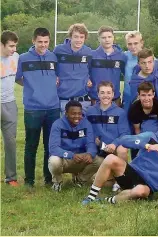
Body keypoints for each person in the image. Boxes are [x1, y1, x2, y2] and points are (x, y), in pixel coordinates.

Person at [82, 113, 158, 205]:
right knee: (110, 158)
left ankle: (107, 200)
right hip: (133, 173)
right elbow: (124, 140)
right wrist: (147, 146)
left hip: (149, 185)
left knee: (140, 191)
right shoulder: (150, 136)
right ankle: (90, 198)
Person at [16, 28, 60, 187]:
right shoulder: (23, 58)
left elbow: (58, 77)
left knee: (50, 145)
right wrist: (30, 85)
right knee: (31, 145)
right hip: (33, 108)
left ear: (49, 41)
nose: (43, 45)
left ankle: (49, 179)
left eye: (46, 42)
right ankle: (29, 181)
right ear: (33, 41)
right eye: (40, 42)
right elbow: (17, 78)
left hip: (53, 108)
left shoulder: (53, 57)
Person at [48, 100, 103, 191]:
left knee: (100, 161)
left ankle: (79, 180)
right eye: (73, 113)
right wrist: (71, 155)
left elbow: (91, 143)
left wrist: (89, 153)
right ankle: (57, 183)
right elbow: (53, 148)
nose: (77, 116)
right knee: (54, 161)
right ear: (66, 113)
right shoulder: (57, 124)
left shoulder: (86, 123)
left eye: (79, 113)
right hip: (65, 158)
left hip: (81, 158)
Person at [86, 81, 130, 191]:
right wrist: (94, 140)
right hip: (98, 149)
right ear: (98, 95)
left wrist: (114, 144)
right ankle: (105, 177)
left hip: (113, 148)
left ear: (113, 94)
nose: (106, 95)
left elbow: (125, 134)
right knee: (96, 181)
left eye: (108, 92)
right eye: (102, 92)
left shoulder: (120, 112)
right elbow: (86, 131)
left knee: (123, 150)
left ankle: (120, 181)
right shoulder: (90, 111)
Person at [53, 23, 92, 114]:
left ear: (85, 38)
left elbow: (90, 70)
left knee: (82, 128)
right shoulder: (58, 50)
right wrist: (54, 76)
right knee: (65, 127)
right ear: (70, 37)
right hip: (64, 101)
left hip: (83, 101)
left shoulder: (88, 52)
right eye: (76, 37)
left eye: (81, 37)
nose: (79, 40)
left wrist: (89, 79)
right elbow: (51, 68)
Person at [89, 26, 127, 106]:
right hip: (96, 100)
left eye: (109, 37)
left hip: (115, 100)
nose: (107, 40)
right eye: (103, 37)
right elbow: (85, 73)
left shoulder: (121, 56)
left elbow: (127, 74)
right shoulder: (92, 55)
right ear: (99, 39)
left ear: (113, 38)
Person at [1, 31, 19, 186]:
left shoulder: (16, 57)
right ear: (1, 45)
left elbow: (19, 78)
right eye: (11, 46)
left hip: (10, 104)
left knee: (10, 142)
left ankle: (11, 177)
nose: (14, 49)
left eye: (15, 46)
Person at [122, 31, 144, 112]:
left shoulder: (148, 58)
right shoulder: (124, 56)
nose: (133, 46)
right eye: (129, 44)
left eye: (135, 43)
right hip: (127, 96)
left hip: (143, 97)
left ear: (141, 43)